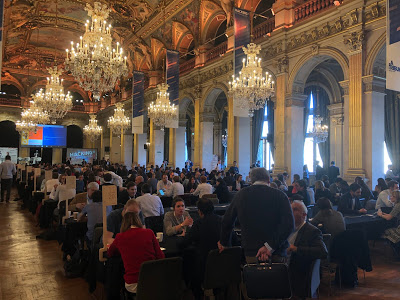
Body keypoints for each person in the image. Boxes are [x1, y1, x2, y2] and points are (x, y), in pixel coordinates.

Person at [219, 168, 294, 262]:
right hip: (276, 252)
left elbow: (227, 221)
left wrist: (225, 244)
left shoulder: (241, 195)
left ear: (251, 180)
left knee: (252, 276)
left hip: (252, 252)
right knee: (277, 276)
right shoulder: (280, 195)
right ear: (268, 179)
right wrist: (269, 246)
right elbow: (289, 225)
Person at [107, 211, 165, 294]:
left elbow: (110, 253)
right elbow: (160, 256)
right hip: (153, 280)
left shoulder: (120, 237)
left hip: (133, 283)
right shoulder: (149, 232)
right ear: (139, 220)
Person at [180, 199, 223, 299]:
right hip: (222, 265)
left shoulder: (199, 223)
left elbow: (184, 243)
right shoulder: (222, 221)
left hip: (204, 266)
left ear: (199, 211)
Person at [288, 201, 328, 298]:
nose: (290, 211)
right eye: (290, 209)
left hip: (299, 271)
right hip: (284, 265)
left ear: (304, 215)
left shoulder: (312, 231)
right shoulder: (287, 229)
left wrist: (296, 249)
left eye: (295, 209)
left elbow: (323, 252)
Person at [379, 190, 400, 255]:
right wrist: (384, 214)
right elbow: (391, 215)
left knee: (386, 231)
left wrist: (380, 215)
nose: (390, 197)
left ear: (397, 197)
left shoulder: (397, 206)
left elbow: (388, 218)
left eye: (393, 196)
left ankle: (397, 252)